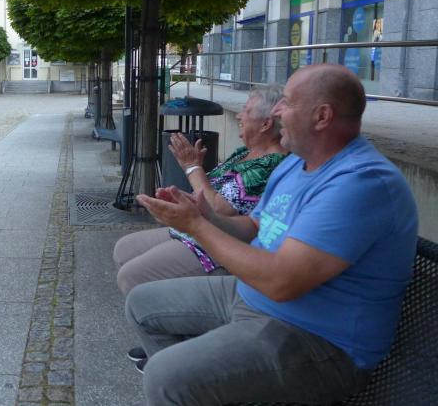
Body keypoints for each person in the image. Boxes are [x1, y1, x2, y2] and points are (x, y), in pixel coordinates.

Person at [127, 64, 418, 405]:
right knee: (140, 304)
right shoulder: (297, 163)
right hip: (254, 298)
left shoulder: (360, 183)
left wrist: (196, 227)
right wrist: (205, 215)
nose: (277, 111)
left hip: (319, 341)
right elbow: (253, 228)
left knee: (166, 378)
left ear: (322, 116)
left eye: (288, 102)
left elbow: (282, 282)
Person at [113, 85, 287, 295]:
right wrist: (181, 199)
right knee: (124, 248)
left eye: (246, 110)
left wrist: (192, 167)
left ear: (266, 124)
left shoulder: (270, 163)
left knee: (131, 276)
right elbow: (209, 194)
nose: (239, 115)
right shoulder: (245, 152)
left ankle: (166, 308)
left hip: (217, 245)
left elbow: (218, 208)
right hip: (194, 230)